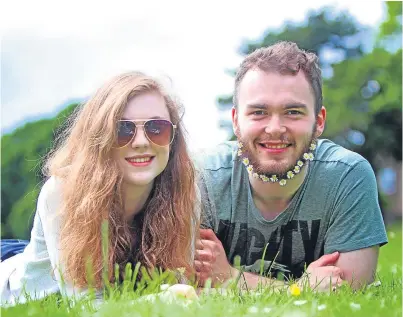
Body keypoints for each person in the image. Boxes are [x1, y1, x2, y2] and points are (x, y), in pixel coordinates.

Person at [194, 41, 388, 292]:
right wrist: (301, 289)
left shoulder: (347, 176)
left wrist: (231, 279)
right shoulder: (204, 177)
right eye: (258, 112)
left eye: (293, 112)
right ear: (235, 121)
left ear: (318, 122)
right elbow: (186, 284)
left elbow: (351, 291)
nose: (274, 128)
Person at [0, 72, 200, 305]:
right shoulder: (62, 192)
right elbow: (87, 307)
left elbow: (180, 287)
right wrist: (162, 301)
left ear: (173, 137)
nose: (142, 142)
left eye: (157, 128)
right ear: (99, 138)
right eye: (122, 130)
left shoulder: (183, 191)